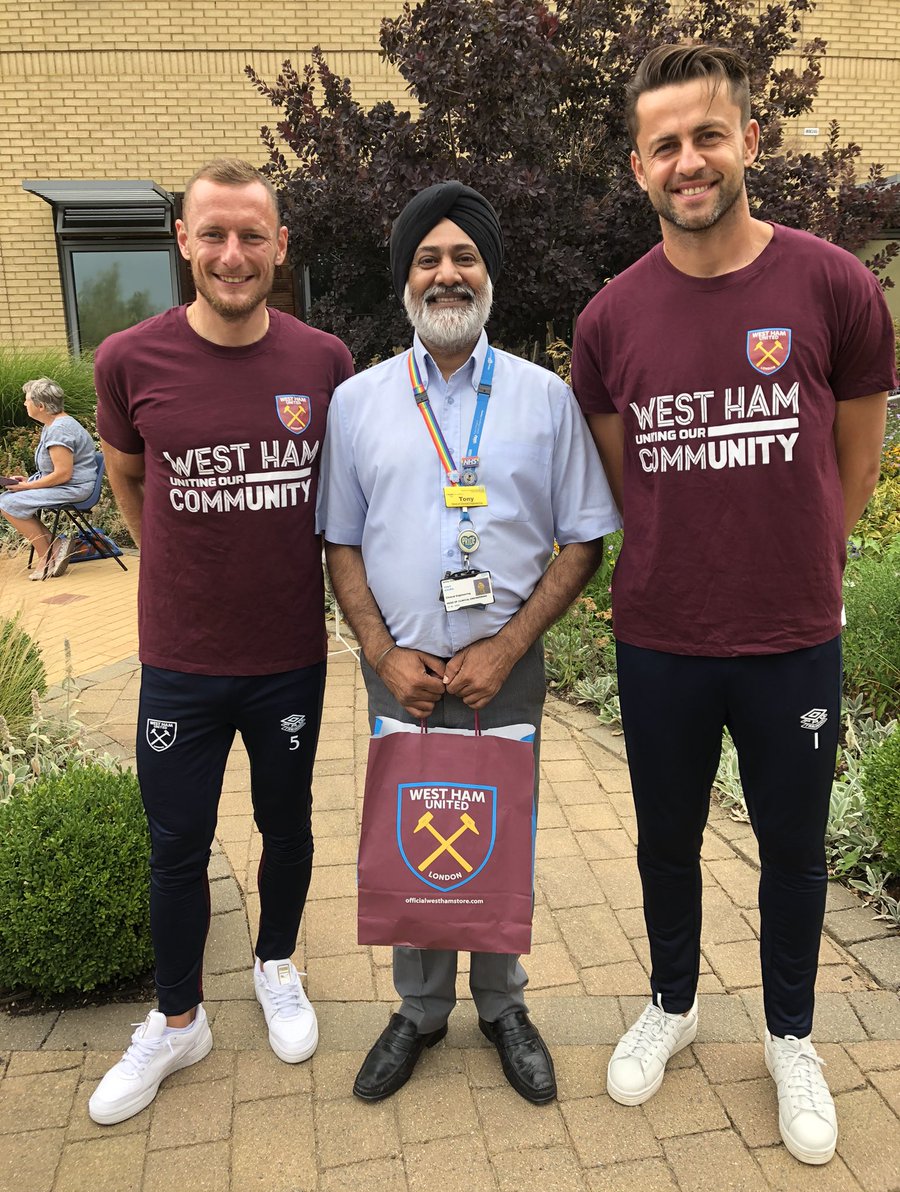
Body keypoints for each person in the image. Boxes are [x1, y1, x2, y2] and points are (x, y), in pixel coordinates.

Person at [571, 44, 896, 1166]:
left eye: (708, 135)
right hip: (662, 636)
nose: (689, 160)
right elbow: (627, 479)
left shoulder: (831, 285)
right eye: (665, 144)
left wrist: (797, 553)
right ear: (639, 166)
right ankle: (672, 1002)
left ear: (750, 142)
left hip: (791, 637)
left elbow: (855, 462)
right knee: (666, 839)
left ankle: (791, 1034)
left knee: (795, 850)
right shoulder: (609, 321)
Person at [318, 181, 619, 1104]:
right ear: (405, 280)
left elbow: (582, 541)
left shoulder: (544, 399)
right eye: (427, 259)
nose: (446, 274)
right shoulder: (359, 402)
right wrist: (379, 652)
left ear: (488, 275)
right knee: (409, 836)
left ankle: (502, 1006)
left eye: (464, 258)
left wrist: (506, 645)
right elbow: (341, 540)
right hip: (398, 672)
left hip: (505, 672)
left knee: (501, 831)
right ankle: (417, 1010)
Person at [89, 158, 354, 1125]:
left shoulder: (324, 362)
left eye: (252, 235)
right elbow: (126, 478)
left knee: (286, 829)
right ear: (184, 242)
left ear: (281, 247)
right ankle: (178, 1019)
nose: (232, 254)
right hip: (182, 661)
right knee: (175, 845)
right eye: (214, 234)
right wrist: (178, 566)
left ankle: (276, 963)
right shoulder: (127, 359)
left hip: (287, 655)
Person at [0, 378, 97, 579]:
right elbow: (56, 470)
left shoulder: (60, 429)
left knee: (7, 503)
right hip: (65, 484)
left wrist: (28, 487)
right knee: (7, 500)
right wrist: (26, 481)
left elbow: (63, 474)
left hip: (73, 488)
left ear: (41, 406)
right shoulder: (53, 424)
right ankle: (56, 546)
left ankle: (48, 555)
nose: (25, 404)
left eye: (27, 400)